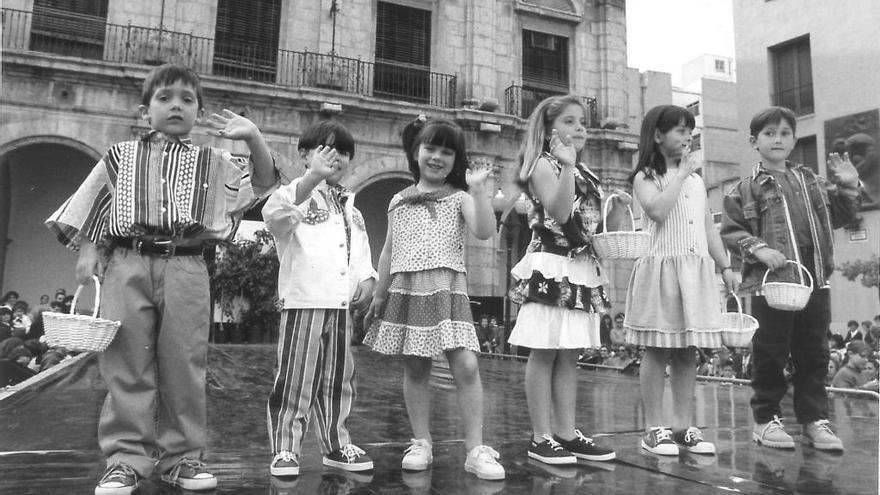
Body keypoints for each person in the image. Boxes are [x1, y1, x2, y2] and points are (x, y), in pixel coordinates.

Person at [45, 63, 279, 494]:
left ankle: (183, 458)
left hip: (187, 264)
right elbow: (96, 205)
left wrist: (254, 137)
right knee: (126, 362)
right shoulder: (121, 156)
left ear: (200, 112)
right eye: (165, 98)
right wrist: (89, 252)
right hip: (127, 263)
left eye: (187, 100)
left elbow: (264, 184)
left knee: (185, 364)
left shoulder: (216, 161)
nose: (176, 106)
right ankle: (125, 458)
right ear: (144, 110)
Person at [363, 115, 505, 481]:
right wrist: (380, 294)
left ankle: (475, 448)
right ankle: (421, 441)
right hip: (407, 288)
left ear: (457, 161)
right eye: (431, 148)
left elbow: (485, 230)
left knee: (466, 366)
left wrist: (478, 190)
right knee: (415, 367)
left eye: (447, 151)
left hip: (447, 288)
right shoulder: (399, 200)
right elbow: (388, 250)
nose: (437, 157)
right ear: (416, 151)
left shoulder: (460, 197)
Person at [721, 106, 862, 452]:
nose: (778, 139)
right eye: (770, 134)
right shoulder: (745, 188)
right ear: (755, 141)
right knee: (770, 351)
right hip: (773, 284)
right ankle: (765, 419)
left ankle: (814, 421)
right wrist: (759, 249)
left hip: (813, 279)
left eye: (785, 133)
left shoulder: (812, 181)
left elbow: (844, 216)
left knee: (814, 353)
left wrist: (849, 186)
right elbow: (731, 230)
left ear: (794, 139)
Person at [505, 95, 624, 466]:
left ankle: (566, 432)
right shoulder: (544, 164)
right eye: (570, 122)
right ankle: (541, 435)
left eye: (582, 123)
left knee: (569, 354)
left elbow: (594, 224)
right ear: (549, 128)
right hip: (552, 264)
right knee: (544, 351)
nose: (579, 129)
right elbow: (558, 210)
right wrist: (569, 166)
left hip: (581, 266)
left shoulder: (583, 170)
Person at [261, 120, 376, 477]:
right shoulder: (296, 194)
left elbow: (360, 252)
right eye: (325, 149)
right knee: (296, 376)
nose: (335, 157)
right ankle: (285, 447)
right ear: (304, 155)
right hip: (304, 303)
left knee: (337, 377)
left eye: (342, 151)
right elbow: (275, 219)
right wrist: (311, 180)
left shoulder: (351, 208)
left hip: (340, 307)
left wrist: (368, 280)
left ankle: (336, 443)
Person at [624, 104, 737, 457]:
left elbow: (707, 228)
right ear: (658, 136)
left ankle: (682, 425)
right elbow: (656, 210)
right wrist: (682, 173)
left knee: (688, 351)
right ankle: (653, 428)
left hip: (696, 271)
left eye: (690, 130)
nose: (687, 136)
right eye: (679, 130)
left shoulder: (697, 180)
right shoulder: (645, 175)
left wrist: (726, 266)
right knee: (657, 350)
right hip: (662, 270)